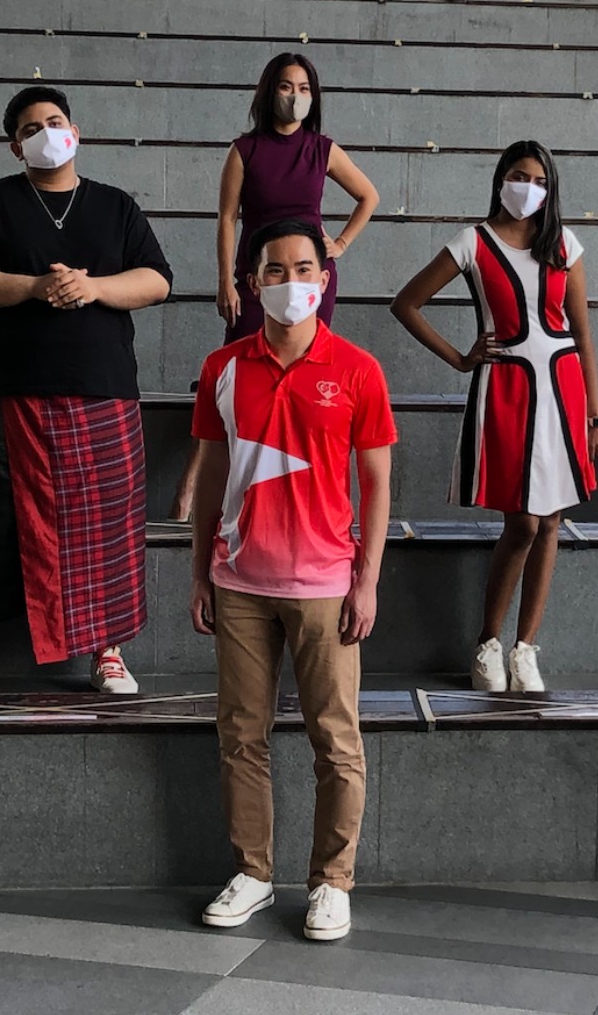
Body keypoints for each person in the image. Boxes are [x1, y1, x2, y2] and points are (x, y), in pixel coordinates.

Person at [189, 219, 395, 943]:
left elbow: (377, 483)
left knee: (335, 741)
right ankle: (252, 873)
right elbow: (212, 475)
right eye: (274, 270)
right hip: (240, 581)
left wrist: (366, 581)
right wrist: (200, 572)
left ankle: (332, 882)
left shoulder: (359, 369)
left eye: (304, 268)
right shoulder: (222, 368)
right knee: (241, 736)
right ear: (253, 283)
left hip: (325, 585)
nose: (290, 282)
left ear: (324, 278)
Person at [0, 85, 172, 696]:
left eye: (55, 121)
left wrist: (94, 288)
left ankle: (107, 652)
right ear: (16, 147)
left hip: (99, 388)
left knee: (106, 523)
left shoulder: (115, 206)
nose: (46, 133)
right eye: (31, 128)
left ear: (76, 132)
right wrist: (34, 286)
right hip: (3, 390)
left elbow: (156, 279)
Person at [391, 142, 598, 692]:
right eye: (518, 175)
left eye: (538, 179)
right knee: (523, 522)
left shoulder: (564, 243)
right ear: (500, 179)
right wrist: (460, 358)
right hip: (507, 387)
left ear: (550, 188)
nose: (527, 187)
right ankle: (488, 642)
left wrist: (596, 414)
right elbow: (406, 303)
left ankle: (525, 649)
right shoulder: (473, 241)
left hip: (563, 389)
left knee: (552, 520)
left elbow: (582, 335)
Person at [169, 53, 379, 520]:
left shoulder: (322, 149)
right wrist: (225, 280)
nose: (295, 97)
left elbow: (369, 196)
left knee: (302, 377)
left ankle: (292, 486)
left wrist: (341, 243)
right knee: (234, 379)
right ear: (270, 92)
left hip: (309, 280)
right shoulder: (245, 150)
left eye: (304, 89)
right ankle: (188, 491)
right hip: (257, 278)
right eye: (286, 87)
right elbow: (227, 218)